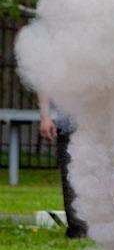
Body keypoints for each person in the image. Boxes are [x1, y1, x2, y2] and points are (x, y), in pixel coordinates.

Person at [37, 93, 86, 238]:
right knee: (71, 179)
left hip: (98, 122)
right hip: (68, 124)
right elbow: (43, 81)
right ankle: (78, 230)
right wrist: (45, 117)